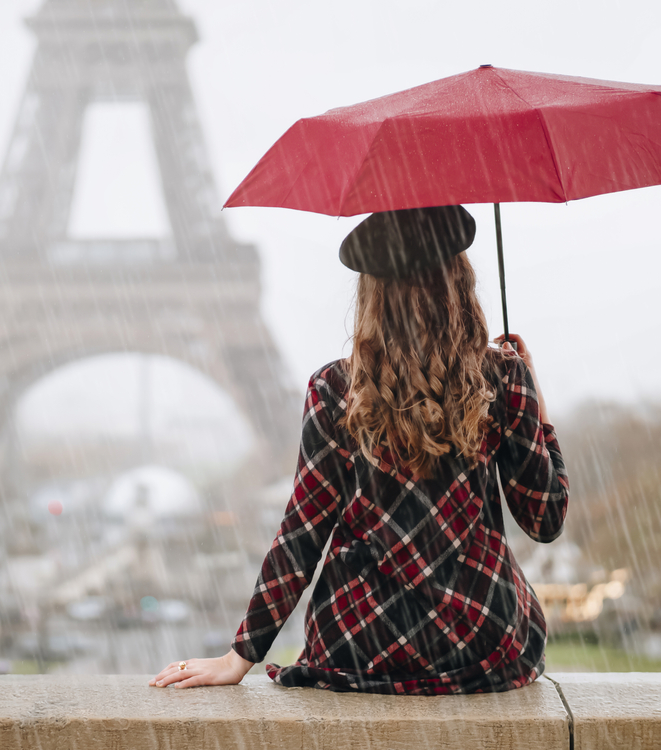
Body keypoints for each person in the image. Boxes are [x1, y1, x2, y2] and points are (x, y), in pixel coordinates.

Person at [151, 205, 569, 694]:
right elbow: (545, 520)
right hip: (481, 640)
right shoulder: (503, 379)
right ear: (459, 281)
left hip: (361, 643)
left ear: (372, 292)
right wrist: (536, 408)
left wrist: (241, 654)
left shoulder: (334, 388)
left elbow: (303, 532)